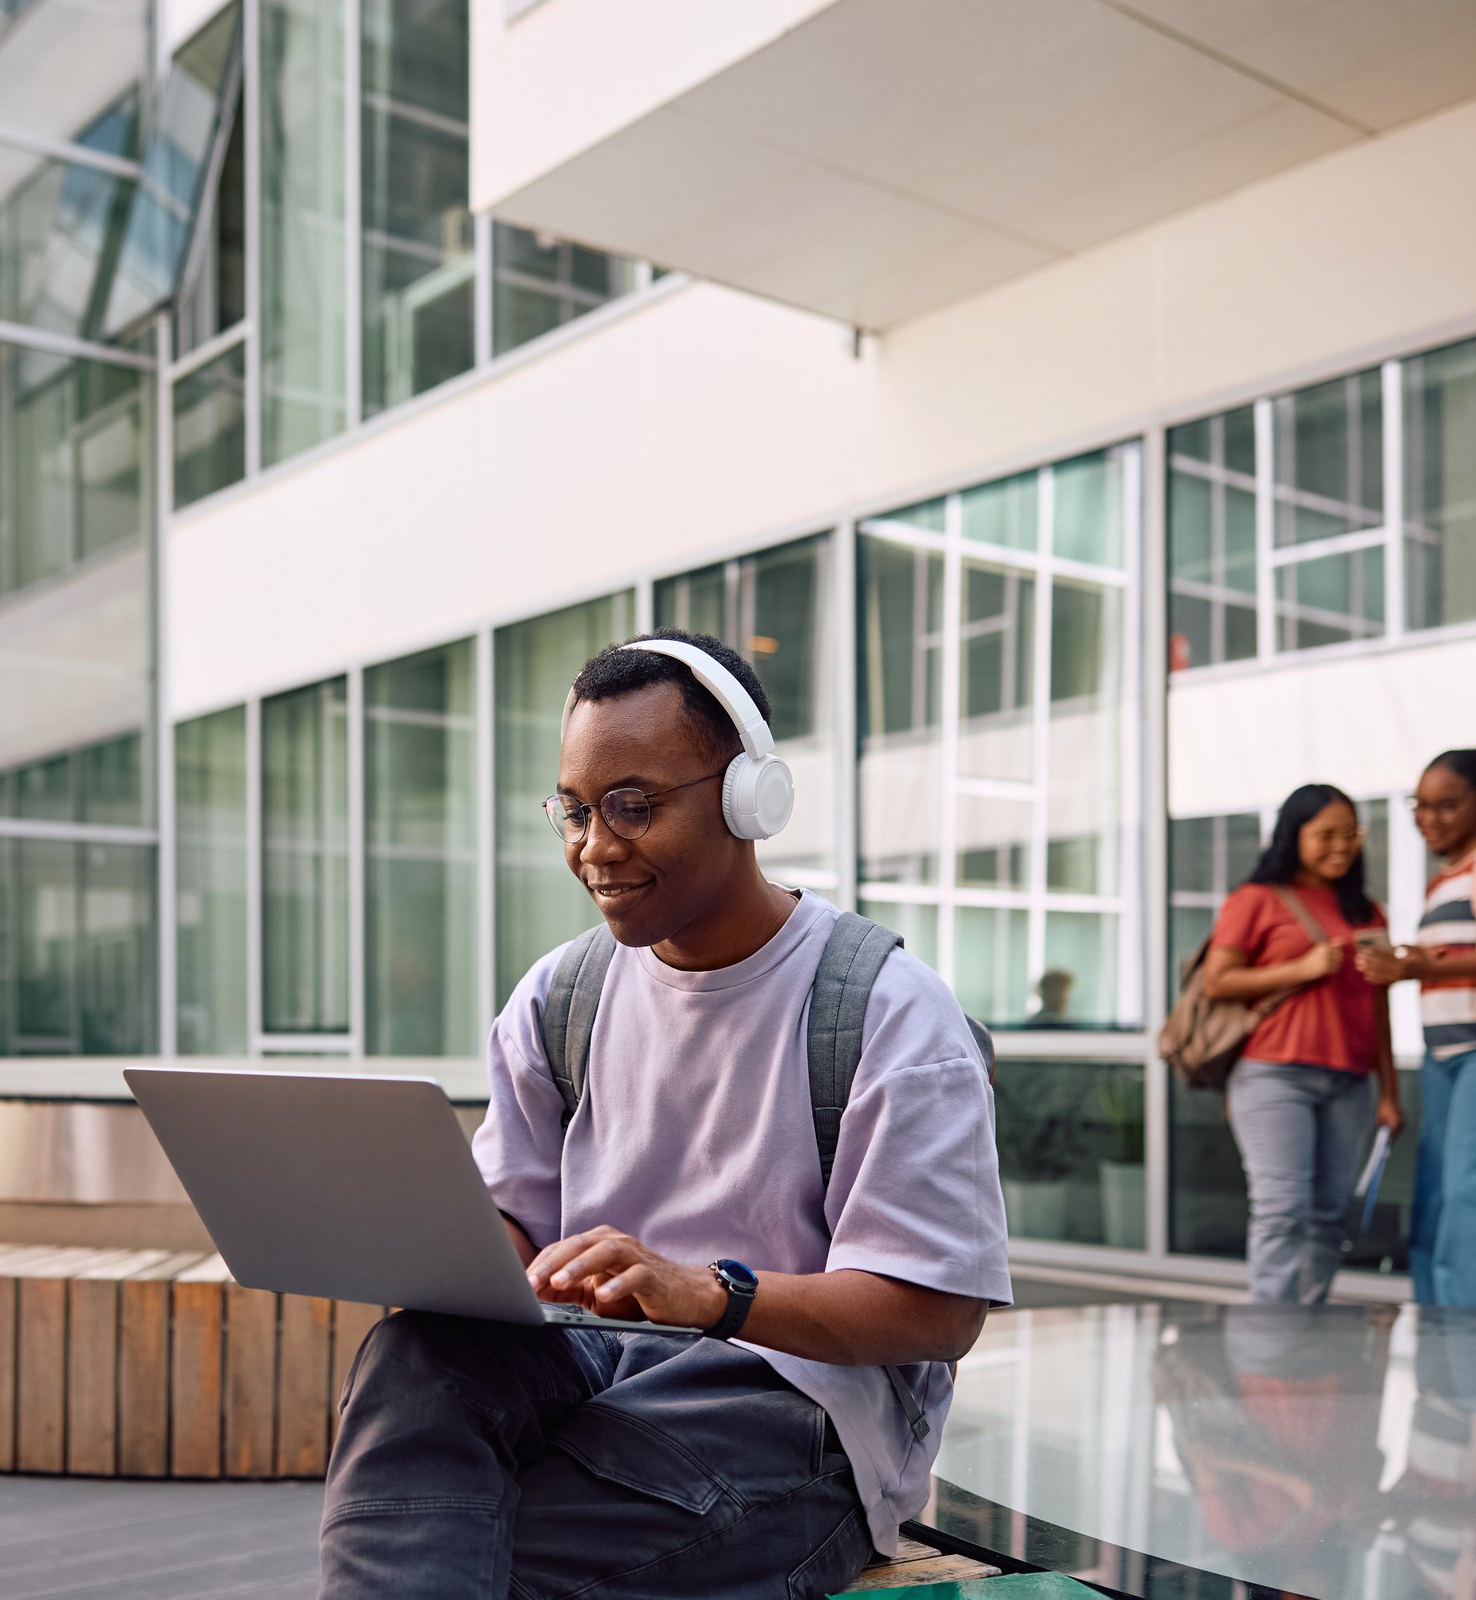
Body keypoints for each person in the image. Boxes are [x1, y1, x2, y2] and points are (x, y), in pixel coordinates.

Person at [318, 631, 1009, 1599]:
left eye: (632, 806)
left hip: (787, 1401)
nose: (594, 847)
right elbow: (512, 1224)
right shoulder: (562, 995)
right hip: (590, 1361)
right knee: (412, 1362)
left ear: (747, 796)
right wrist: (420, 1245)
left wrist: (707, 1292)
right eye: (573, 810)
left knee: (449, 1549)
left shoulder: (887, 1010)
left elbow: (940, 1309)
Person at [1356, 747, 1476, 1309]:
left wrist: (1423, 965)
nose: (1429, 818)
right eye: (1421, 806)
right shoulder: (1444, 878)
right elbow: (1461, 955)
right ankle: (1446, 1365)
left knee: (1474, 1198)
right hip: (1446, 1058)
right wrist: (1407, 964)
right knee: (1435, 1201)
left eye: (1447, 805)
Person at [1201, 784, 1401, 1303]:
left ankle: (1307, 1333)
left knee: (1329, 1214)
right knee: (1282, 1209)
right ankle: (1272, 1343)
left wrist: (1389, 1092)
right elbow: (1217, 981)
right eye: (1326, 835)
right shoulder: (1256, 900)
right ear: (1295, 837)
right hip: (1274, 1073)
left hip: (1351, 1080)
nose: (1342, 845)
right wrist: (1303, 968)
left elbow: (1378, 1007)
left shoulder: (1368, 912)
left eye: (1350, 833)